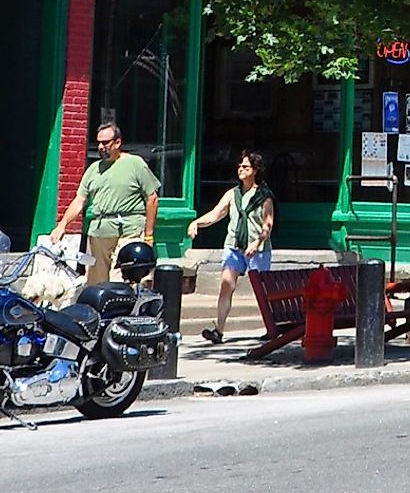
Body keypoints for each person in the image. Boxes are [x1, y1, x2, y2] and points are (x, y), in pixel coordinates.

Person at [50, 121, 161, 285]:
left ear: (118, 142)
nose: (101, 147)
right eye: (98, 142)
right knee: (96, 282)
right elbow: (80, 200)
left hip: (130, 228)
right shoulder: (93, 169)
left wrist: (149, 235)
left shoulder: (135, 164)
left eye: (105, 142)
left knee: (121, 279)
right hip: (100, 232)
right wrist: (62, 224)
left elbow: (152, 199)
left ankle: (122, 309)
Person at [185, 149, 276, 343]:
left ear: (255, 170)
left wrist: (258, 241)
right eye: (239, 166)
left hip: (257, 249)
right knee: (226, 285)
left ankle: (272, 328)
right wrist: (196, 223)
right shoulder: (232, 194)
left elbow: (268, 225)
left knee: (263, 292)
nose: (241, 169)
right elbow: (216, 214)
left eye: (245, 166)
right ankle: (218, 330)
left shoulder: (264, 196)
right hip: (234, 246)